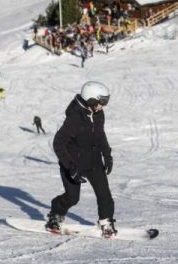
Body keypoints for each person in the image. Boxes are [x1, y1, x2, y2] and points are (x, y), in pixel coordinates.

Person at [46, 81, 116, 238]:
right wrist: (71, 167)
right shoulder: (74, 118)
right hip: (73, 163)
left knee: (105, 195)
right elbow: (58, 143)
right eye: (101, 102)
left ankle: (106, 222)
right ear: (90, 100)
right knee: (72, 197)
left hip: (94, 161)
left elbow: (100, 135)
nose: (102, 106)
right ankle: (56, 214)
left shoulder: (98, 114)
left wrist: (107, 154)